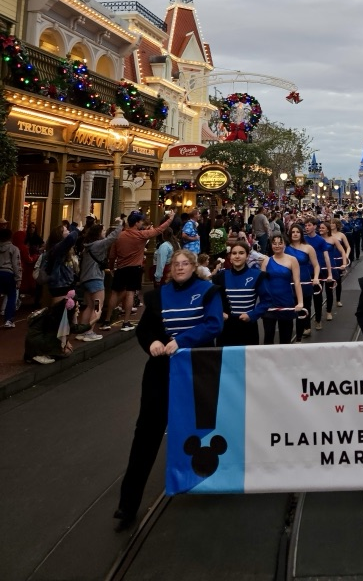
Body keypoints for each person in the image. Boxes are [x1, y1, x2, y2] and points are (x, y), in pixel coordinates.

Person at [114, 249, 223, 530]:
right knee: (146, 432)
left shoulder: (208, 291)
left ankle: (210, 482)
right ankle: (127, 504)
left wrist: (183, 340)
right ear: (170, 268)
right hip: (161, 370)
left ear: (194, 266)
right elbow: (145, 330)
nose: (180, 268)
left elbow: (214, 324)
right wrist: (151, 343)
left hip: (197, 368)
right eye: (176, 264)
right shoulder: (158, 296)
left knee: (204, 429)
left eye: (185, 264)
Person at [102, 211, 174, 332]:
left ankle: (106, 321)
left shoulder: (119, 235)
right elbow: (159, 230)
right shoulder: (140, 235)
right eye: (140, 221)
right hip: (134, 268)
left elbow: (112, 255)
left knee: (114, 293)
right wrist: (170, 219)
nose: (142, 223)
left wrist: (112, 267)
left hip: (120, 268)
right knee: (130, 293)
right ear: (136, 223)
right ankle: (125, 322)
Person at [213, 240, 264, 345]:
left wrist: (253, 315)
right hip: (226, 327)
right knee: (226, 360)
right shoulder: (220, 277)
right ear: (230, 257)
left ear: (247, 256)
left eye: (241, 253)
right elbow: (213, 301)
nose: (237, 256)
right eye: (234, 253)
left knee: (249, 360)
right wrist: (219, 313)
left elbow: (267, 300)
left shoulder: (257, 275)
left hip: (248, 326)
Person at [256, 234, 304, 344]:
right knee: (268, 336)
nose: (277, 246)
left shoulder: (292, 260)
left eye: (280, 243)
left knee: (285, 337)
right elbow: (262, 283)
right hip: (269, 302)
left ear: (285, 245)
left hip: (286, 301)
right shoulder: (266, 261)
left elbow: (297, 282)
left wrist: (300, 302)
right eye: (274, 243)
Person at [77, 222, 122, 340]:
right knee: (98, 306)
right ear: (98, 233)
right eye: (102, 231)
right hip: (95, 280)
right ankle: (89, 332)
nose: (104, 233)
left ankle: (82, 330)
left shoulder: (87, 246)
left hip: (85, 280)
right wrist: (120, 225)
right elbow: (111, 238)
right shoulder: (98, 245)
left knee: (89, 306)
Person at [285, 222, 320, 339]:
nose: (295, 234)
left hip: (304, 280)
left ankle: (301, 333)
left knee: (304, 307)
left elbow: (316, 265)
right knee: (291, 308)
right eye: (293, 232)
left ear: (301, 234)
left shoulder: (308, 248)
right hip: (289, 282)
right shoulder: (285, 248)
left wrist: (315, 278)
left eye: (297, 232)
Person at [0, 229, 22, 328]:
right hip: (8, 273)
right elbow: (16, 264)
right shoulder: (14, 249)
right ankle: (8, 320)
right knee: (11, 296)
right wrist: (18, 278)